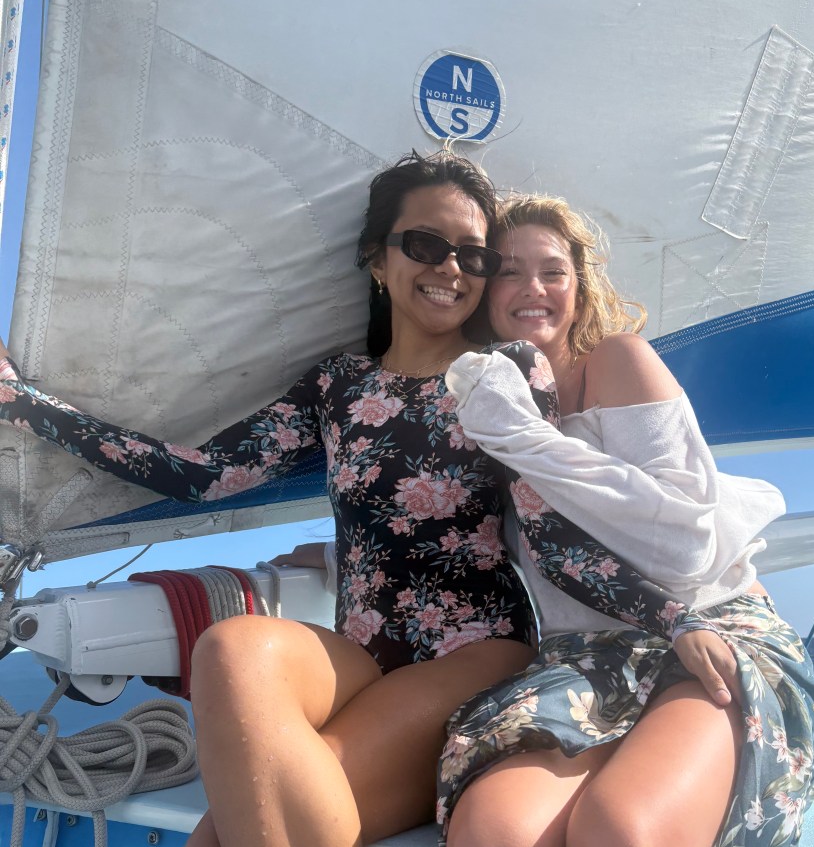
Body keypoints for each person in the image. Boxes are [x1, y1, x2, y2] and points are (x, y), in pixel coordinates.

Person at [0, 151, 546, 847]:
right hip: (363, 650)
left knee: (219, 835)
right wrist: (23, 404)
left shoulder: (510, 368)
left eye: (474, 255)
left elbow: (557, 512)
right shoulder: (338, 386)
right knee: (228, 647)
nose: (451, 268)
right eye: (427, 245)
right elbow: (202, 474)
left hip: (477, 647)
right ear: (379, 259)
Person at [437, 194, 814, 847]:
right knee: (494, 830)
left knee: (620, 827)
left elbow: (683, 548)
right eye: (510, 271)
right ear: (484, 290)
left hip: (713, 627)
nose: (532, 288)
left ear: (580, 284)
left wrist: (526, 439)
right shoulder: (492, 401)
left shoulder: (616, 363)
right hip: (589, 656)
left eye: (554, 270)